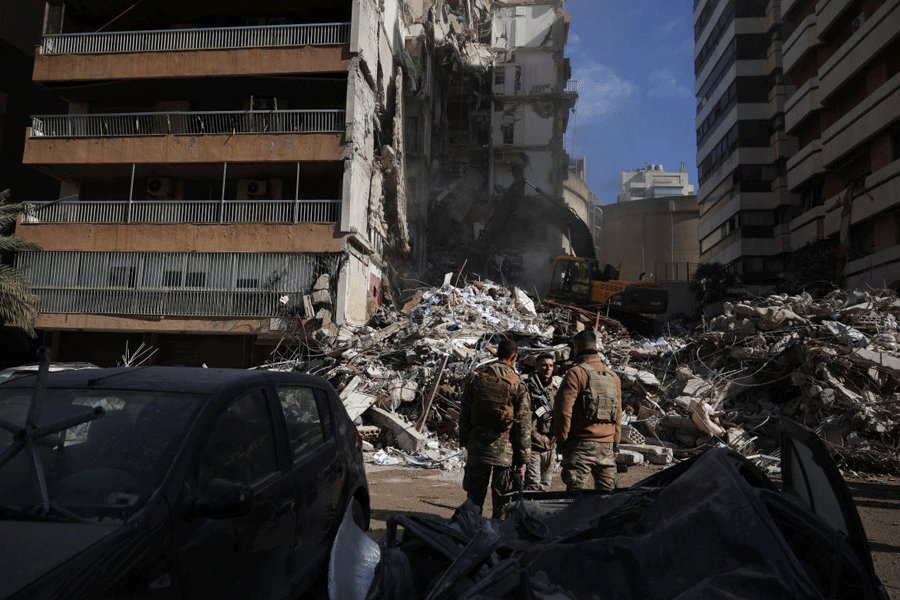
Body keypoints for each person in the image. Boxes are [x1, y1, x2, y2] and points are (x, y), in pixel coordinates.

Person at [459, 338, 531, 518]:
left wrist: (466, 441)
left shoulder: (477, 378)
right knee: (502, 501)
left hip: (478, 447)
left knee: (474, 498)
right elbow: (523, 424)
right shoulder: (517, 383)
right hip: (504, 452)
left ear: (497, 353)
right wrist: (523, 458)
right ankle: (498, 531)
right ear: (514, 357)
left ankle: (470, 528)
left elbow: (465, 412)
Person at [553, 330, 622, 491]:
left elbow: (563, 411)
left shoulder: (576, 374)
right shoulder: (613, 377)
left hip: (580, 446)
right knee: (606, 498)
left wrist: (562, 440)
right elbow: (618, 415)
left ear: (576, 347)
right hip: (607, 447)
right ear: (596, 347)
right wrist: (615, 443)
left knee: (574, 498)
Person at [524, 353, 557, 491]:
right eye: (544, 365)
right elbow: (524, 418)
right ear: (536, 366)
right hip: (534, 446)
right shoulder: (527, 388)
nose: (548, 368)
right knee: (532, 485)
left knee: (546, 486)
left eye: (550, 365)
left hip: (551, 446)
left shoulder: (554, 390)